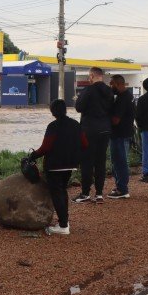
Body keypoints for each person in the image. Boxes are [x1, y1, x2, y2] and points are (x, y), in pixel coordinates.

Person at [28, 100, 88, 234]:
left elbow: (45, 147)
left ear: (52, 112)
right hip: (71, 165)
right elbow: (84, 144)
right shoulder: (75, 124)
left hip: (54, 166)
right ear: (65, 110)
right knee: (62, 191)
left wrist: (33, 156)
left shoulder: (53, 126)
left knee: (57, 193)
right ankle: (64, 222)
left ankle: (63, 226)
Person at [74, 66, 114, 203]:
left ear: (91, 76)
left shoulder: (88, 90)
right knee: (100, 161)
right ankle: (99, 194)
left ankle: (85, 193)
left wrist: (78, 99)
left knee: (87, 162)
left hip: (89, 130)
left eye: (89, 76)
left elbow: (78, 107)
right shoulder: (109, 91)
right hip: (105, 130)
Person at [108, 75, 135, 198]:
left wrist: (105, 116)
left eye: (111, 84)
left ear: (118, 84)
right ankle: (120, 186)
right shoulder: (128, 96)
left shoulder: (122, 99)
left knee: (120, 161)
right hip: (124, 133)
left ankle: (123, 190)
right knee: (118, 161)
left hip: (120, 134)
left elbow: (115, 120)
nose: (110, 87)